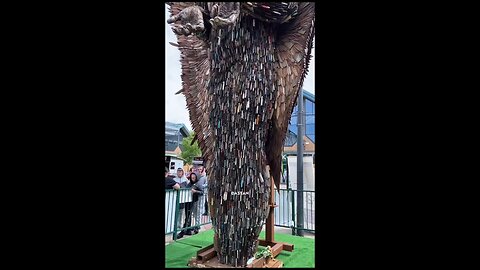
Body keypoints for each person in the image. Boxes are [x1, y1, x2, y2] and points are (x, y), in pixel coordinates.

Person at [177, 172, 201, 238]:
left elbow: (202, 192)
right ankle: (188, 230)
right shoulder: (189, 183)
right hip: (188, 201)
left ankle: (184, 232)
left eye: (194, 177)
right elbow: (185, 188)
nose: (192, 178)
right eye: (191, 177)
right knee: (187, 216)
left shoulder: (198, 184)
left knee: (191, 216)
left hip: (194, 202)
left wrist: (195, 191)